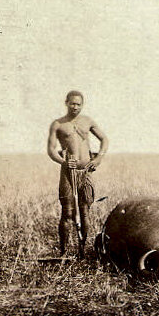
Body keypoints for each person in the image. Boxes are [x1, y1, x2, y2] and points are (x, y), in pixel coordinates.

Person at [47, 90, 109, 257]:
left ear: (82, 105)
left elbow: (104, 139)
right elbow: (51, 150)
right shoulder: (58, 124)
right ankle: (63, 252)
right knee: (67, 212)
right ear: (66, 102)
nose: (75, 107)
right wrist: (64, 162)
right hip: (68, 173)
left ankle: (82, 251)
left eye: (78, 104)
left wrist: (98, 159)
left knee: (84, 211)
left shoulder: (87, 121)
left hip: (86, 172)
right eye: (72, 103)